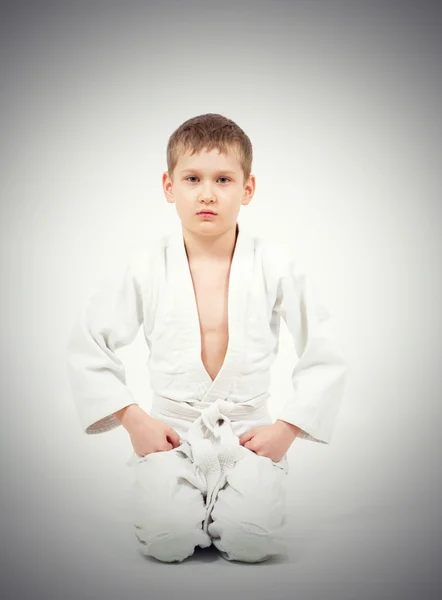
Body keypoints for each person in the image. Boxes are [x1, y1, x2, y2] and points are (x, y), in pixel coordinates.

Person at [66, 113, 348, 564]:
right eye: (192, 178)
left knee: (252, 543)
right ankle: (177, 504)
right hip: (170, 433)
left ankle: (240, 500)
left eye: (223, 179)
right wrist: (135, 421)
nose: (207, 194)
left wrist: (285, 430)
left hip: (249, 434)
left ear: (247, 189)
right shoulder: (144, 265)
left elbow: (325, 353)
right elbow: (88, 347)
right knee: (167, 541)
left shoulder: (276, 264)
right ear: (168, 185)